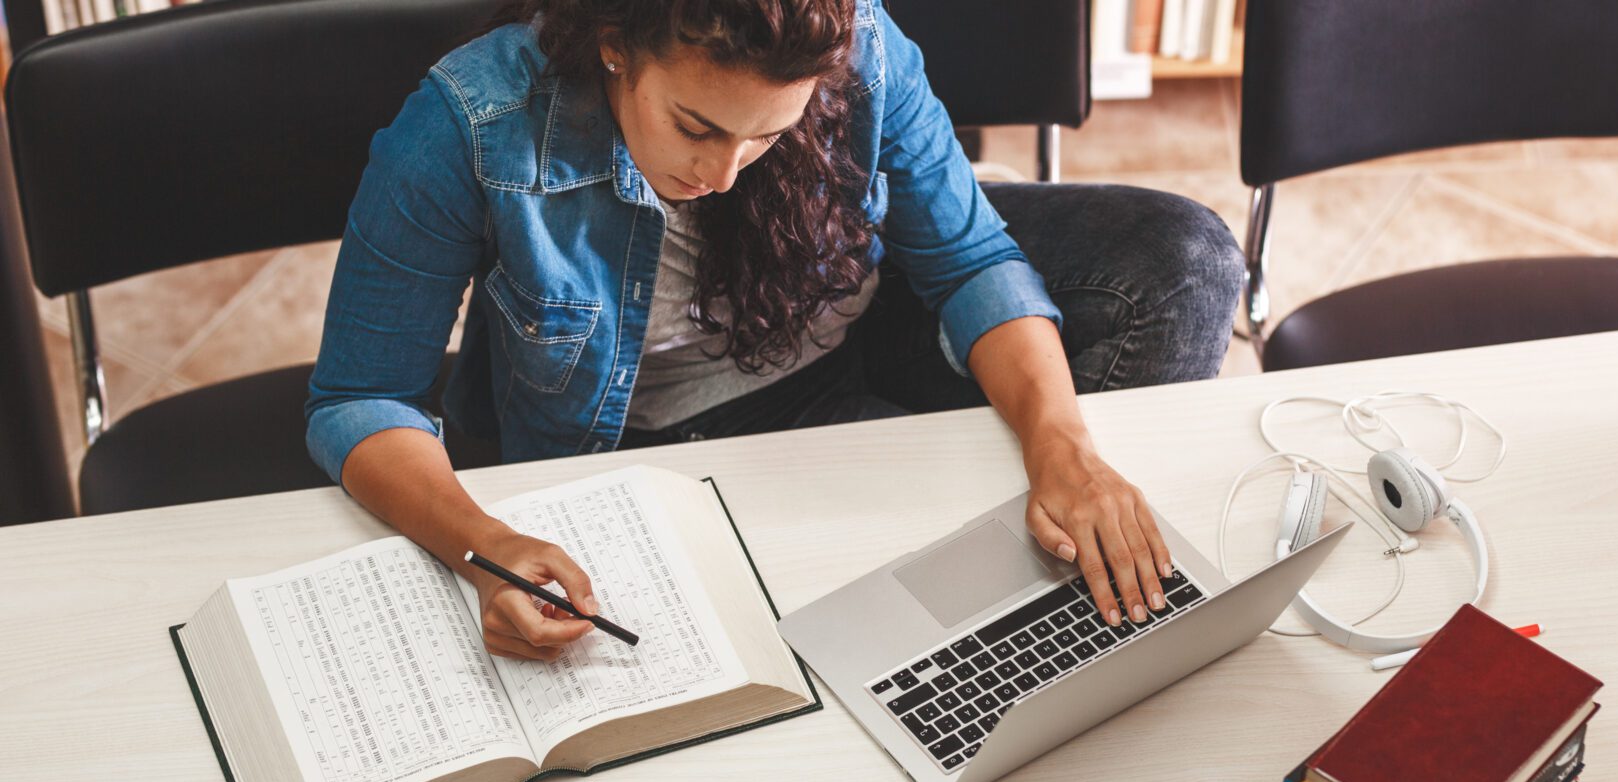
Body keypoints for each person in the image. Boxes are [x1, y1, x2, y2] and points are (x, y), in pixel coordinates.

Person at [307, 0, 1243, 661]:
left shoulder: (864, 45)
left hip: (844, 374)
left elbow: (968, 262)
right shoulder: (473, 122)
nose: (726, 174)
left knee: (1185, 257)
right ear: (613, 43)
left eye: (767, 138)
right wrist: (482, 547)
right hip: (635, 447)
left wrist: (1062, 445)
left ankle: (1089, 588)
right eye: (696, 127)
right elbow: (362, 398)